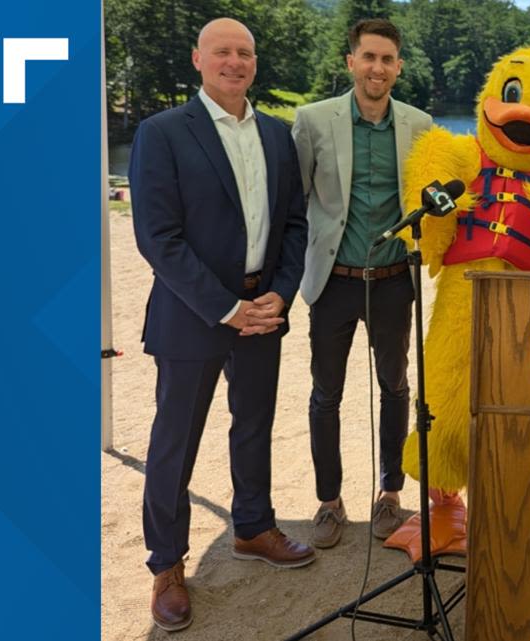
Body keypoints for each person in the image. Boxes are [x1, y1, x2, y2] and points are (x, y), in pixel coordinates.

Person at [130, 17, 312, 632]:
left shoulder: (278, 135)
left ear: (255, 64)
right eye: (222, 52)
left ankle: (254, 528)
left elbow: (294, 224)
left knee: (255, 424)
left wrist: (281, 294)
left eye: (245, 53)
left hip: (266, 309)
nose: (235, 62)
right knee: (175, 443)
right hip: (193, 313)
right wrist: (226, 307)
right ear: (198, 60)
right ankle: (167, 564)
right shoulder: (161, 133)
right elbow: (158, 237)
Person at [291, 18, 433, 548]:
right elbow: (296, 204)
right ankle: (329, 502)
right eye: (368, 57)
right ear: (351, 62)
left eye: (387, 59)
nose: (378, 68)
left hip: (394, 281)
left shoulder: (420, 124)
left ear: (398, 66)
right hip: (333, 282)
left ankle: (390, 494)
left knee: (395, 388)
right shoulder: (311, 120)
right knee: (325, 394)